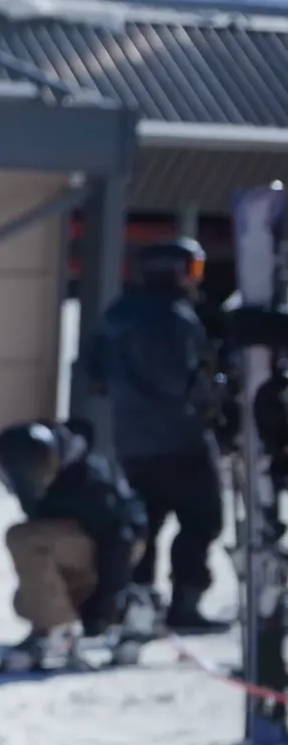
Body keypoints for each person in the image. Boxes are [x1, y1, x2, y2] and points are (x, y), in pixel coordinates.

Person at [0, 415, 152, 670]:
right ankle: (129, 613)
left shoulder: (90, 481)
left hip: (115, 546)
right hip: (79, 544)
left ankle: (60, 630)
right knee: (27, 601)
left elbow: (119, 540)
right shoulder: (33, 459)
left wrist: (104, 604)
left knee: (25, 539)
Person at [79, 237, 225, 633]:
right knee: (201, 521)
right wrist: (215, 396)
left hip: (132, 444)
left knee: (145, 525)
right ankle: (185, 606)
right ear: (178, 272)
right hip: (182, 442)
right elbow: (185, 384)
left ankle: (136, 604)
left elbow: (93, 376)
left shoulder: (117, 315)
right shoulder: (178, 319)